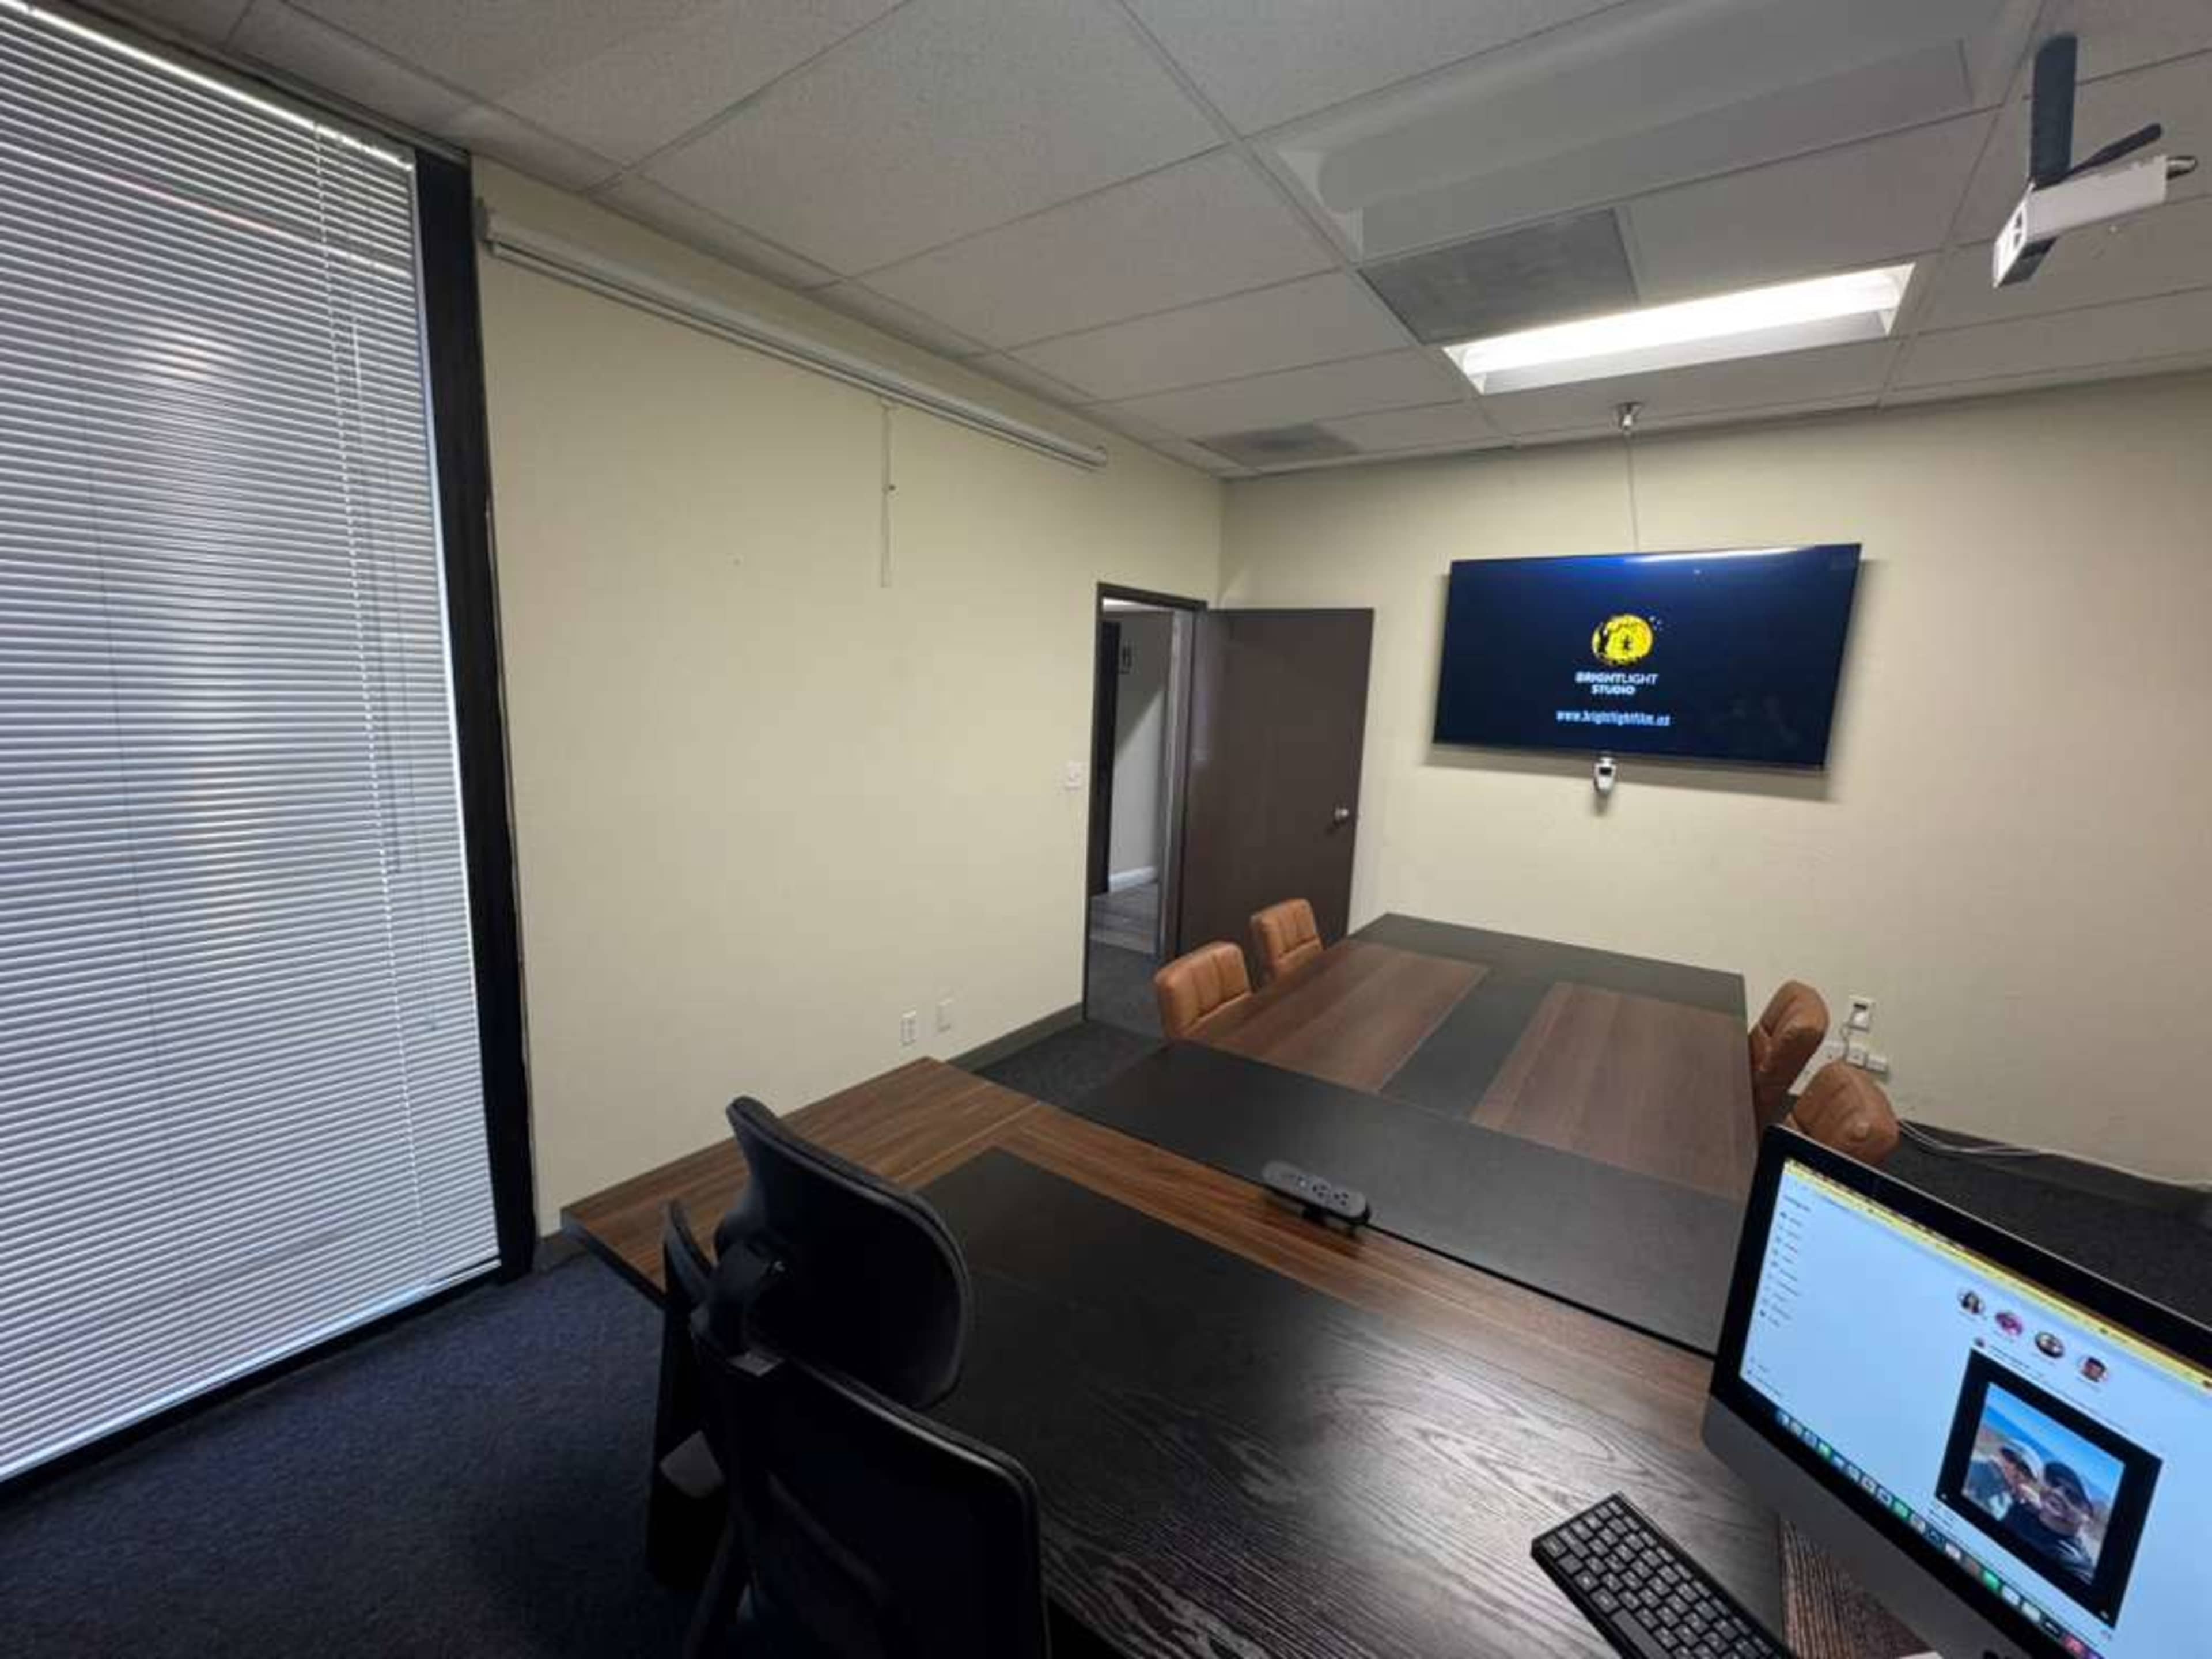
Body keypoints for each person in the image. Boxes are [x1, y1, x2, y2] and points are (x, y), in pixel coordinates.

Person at [2001, 1461, 2096, 1586]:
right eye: (2054, 1483)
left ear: (2088, 1519)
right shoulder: (2022, 1508)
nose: (2057, 1493)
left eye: (2072, 1496)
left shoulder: (2072, 1563)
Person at [1964, 1445, 2040, 1517]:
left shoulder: (2020, 1498)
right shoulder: (1976, 1468)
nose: (2013, 1467)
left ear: (2029, 1480)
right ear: (2001, 1454)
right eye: (2011, 1458)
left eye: (2024, 1469)